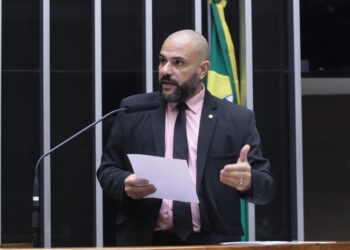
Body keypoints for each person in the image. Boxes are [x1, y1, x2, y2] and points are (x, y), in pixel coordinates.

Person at [97, 29, 274, 246]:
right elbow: (107, 170)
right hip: (145, 241)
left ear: (203, 69)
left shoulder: (237, 119)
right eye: (162, 61)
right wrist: (124, 182)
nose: (165, 70)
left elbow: (265, 187)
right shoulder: (133, 111)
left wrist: (248, 182)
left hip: (212, 242)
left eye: (178, 63)